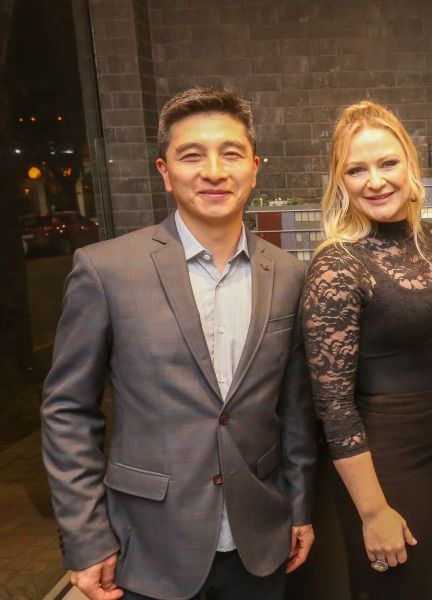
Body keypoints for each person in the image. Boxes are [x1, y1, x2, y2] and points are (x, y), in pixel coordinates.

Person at [41, 86, 317, 600]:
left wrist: (299, 507)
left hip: (260, 540)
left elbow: (294, 406)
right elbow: (68, 412)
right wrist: (86, 537)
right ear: (165, 172)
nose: (213, 171)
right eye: (192, 155)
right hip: (148, 545)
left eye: (230, 153)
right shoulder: (105, 270)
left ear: (254, 168)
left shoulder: (289, 275)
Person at [301, 101, 432, 600]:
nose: (375, 181)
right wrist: (372, 512)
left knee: (430, 580)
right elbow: (333, 406)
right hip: (383, 454)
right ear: (340, 181)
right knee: (399, 586)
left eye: (388, 163)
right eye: (357, 170)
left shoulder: (426, 236)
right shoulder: (336, 266)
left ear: (410, 164)